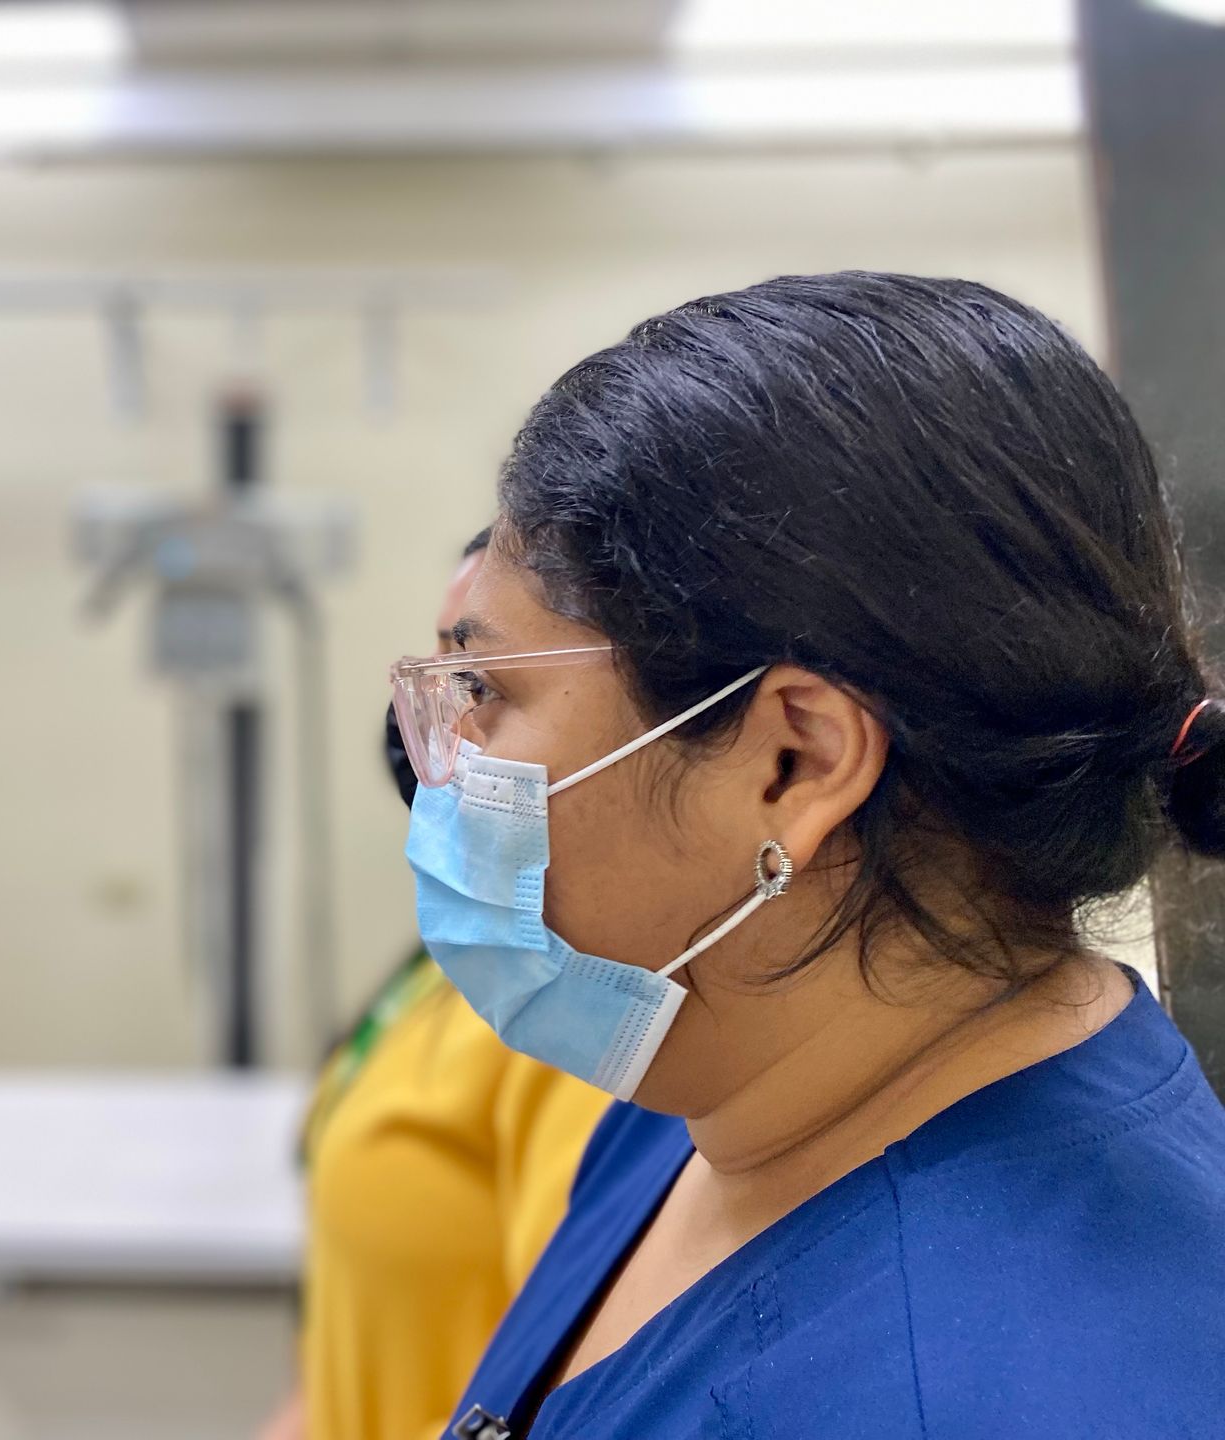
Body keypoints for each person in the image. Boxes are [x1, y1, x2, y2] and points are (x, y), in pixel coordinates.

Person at [388, 273, 1225, 1439]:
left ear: (793, 762)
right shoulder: (705, 1085)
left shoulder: (1002, 1391)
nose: (443, 757)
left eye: (490, 689)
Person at [257, 531, 611, 1440]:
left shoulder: (568, 1007)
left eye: (483, 683)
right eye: (440, 673)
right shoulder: (462, 948)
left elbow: (573, 1388)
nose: (436, 724)